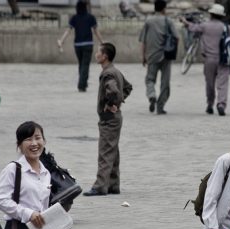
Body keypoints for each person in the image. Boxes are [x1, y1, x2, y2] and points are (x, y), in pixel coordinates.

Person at [82, 43, 132, 197]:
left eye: (98, 52)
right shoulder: (115, 71)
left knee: (105, 151)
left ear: (104, 56)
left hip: (109, 119)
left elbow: (114, 91)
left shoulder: (107, 74)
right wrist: (118, 102)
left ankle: (100, 186)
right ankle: (113, 184)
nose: (96, 54)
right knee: (112, 151)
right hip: (115, 118)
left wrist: (112, 104)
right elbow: (128, 87)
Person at [181, 4, 230, 116]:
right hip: (224, 59)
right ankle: (221, 104)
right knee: (223, 83)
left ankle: (210, 104)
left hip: (209, 59)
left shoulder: (205, 26)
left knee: (210, 83)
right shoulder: (227, 27)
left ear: (211, 14)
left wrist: (184, 21)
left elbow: (192, 28)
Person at [139, 0, 177, 115]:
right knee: (165, 83)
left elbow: (143, 41)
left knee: (150, 79)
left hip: (152, 55)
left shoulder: (148, 21)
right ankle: (160, 107)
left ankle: (151, 95)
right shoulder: (168, 21)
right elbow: (176, 37)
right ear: (164, 9)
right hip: (166, 55)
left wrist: (143, 57)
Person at [57, 1, 104, 93]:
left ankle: (83, 82)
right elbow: (96, 31)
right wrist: (102, 42)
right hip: (88, 44)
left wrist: (61, 41)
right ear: (86, 7)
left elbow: (68, 31)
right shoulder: (91, 17)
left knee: (81, 64)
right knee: (85, 65)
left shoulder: (74, 18)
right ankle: (81, 85)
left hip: (77, 45)